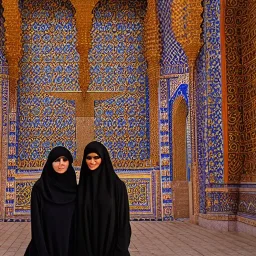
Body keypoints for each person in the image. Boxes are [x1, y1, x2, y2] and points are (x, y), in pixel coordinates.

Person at [76, 141, 131, 256]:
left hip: (111, 250)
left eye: (96, 157)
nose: (92, 161)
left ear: (104, 158)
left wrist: (120, 250)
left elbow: (123, 222)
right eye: (88, 158)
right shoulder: (81, 189)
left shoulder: (117, 187)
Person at [24, 146, 77, 256]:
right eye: (57, 160)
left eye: (65, 160)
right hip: (46, 246)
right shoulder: (40, 188)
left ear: (69, 163)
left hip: (69, 246)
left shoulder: (74, 189)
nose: (61, 163)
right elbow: (37, 225)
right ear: (50, 163)